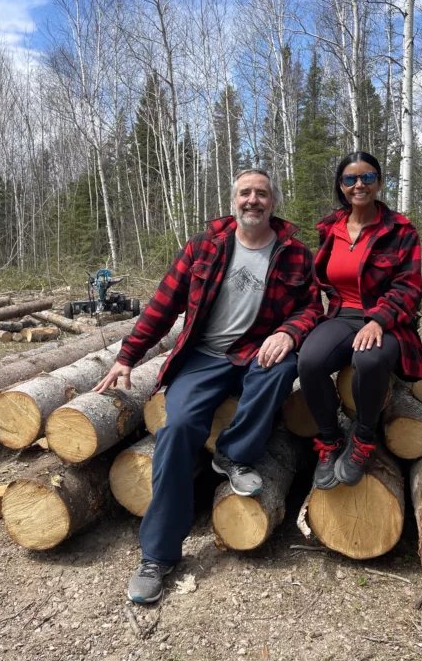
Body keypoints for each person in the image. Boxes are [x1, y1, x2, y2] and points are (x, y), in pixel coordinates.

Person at [95, 169, 321, 604]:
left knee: (282, 366)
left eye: (260, 193)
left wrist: (289, 332)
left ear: (273, 202)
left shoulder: (294, 254)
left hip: (257, 351)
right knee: (177, 428)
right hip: (203, 358)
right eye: (244, 193)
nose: (252, 200)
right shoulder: (205, 247)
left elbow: (312, 307)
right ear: (233, 200)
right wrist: (127, 356)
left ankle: (233, 456)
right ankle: (158, 555)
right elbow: (162, 305)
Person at [297, 151, 422, 490]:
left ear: (379, 182)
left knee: (369, 360)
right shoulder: (330, 228)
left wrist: (378, 321)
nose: (359, 185)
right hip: (342, 315)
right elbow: (317, 281)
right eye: (350, 179)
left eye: (367, 177)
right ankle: (331, 439)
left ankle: (364, 438)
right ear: (341, 185)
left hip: (389, 321)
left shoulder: (400, 230)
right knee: (310, 361)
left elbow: (409, 287)